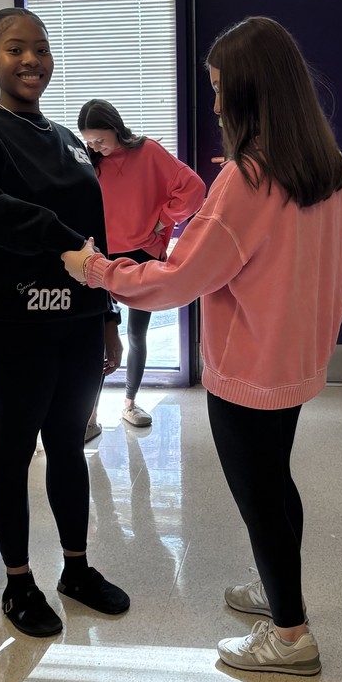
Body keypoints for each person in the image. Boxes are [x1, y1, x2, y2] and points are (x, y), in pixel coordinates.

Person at [62, 16, 342, 675]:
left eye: (222, 88)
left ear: (253, 93)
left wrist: (96, 269)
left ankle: (290, 635)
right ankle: (278, 595)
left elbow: (178, 280)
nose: (215, 103)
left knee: (260, 498)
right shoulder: (322, 165)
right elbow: (327, 262)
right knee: (275, 486)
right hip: (294, 359)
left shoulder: (249, 179)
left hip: (249, 370)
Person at [0, 6, 129, 638]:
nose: (31, 61)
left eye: (41, 49)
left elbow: (95, 235)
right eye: (15, 49)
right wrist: (56, 237)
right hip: (13, 325)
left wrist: (108, 315)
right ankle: (19, 582)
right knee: (15, 453)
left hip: (76, 324)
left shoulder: (71, 141)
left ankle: (76, 569)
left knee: (70, 447)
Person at [77, 99, 206, 434]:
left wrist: (163, 221)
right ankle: (89, 415)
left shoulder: (148, 152)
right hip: (101, 259)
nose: (96, 147)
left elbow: (193, 190)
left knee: (136, 334)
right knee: (96, 338)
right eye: (89, 141)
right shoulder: (88, 161)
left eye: (101, 140)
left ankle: (130, 403)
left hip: (144, 255)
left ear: (117, 129)